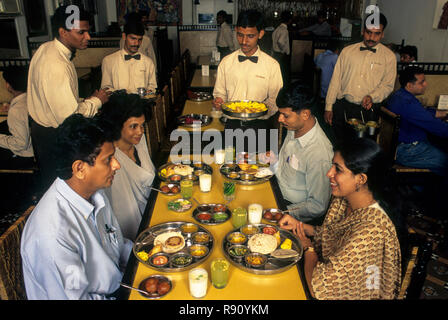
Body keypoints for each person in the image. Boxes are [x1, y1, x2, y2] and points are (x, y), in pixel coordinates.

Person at [21, 114, 133, 300]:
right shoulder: (52, 233)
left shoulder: (94, 192)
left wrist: (151, 256)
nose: (117, 165)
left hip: (119, 286)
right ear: (80, 168)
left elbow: (118, 246)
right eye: (108, 159)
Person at [279, 138, 402, 299]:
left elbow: (319, 290)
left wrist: (308, 248)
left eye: (338, 169)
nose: (329, 173)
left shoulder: (372, 231)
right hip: (324, 273)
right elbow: (332, 235)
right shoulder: (343, 199)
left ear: (361, 179)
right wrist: (301, 226)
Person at [27, 5, 110, 191]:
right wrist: (97, 101)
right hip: (54, 137)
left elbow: (55, 99)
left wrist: (84, 101)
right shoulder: (57, 64)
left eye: (88, 32)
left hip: (42, 132)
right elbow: (69, 118)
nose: (87, 37)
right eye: (81, 32)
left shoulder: (45, 49)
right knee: (61, 190)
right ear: (63, 32)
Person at [260, 85, 333, 225]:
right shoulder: (294, 127)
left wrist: (281, 211)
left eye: (285, 115)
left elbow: (318, 205)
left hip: (291, 211)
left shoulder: (319, 153)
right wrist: (275, 161)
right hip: (276, 190)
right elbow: (290, 166)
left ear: (305, 114)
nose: (280, 119)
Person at [213, 10, 283, 152]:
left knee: (258, 170)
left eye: (250, 36)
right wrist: (219, 101)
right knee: (230, 166)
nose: (244, 41)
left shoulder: (272, 65)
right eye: (240, 35)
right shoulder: (226, 62)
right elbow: (219, 93)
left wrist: (258, 111)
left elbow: (275, 100)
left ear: (261, 34)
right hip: (231, 126)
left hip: (260, 127)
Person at [324, 13, 396, 142]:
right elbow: (336, 80)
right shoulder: (347, 51)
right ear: (363, 31)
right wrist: (328, 107)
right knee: (340, 144)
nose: (372, 37)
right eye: (369, 32)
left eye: (377, 33)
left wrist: (372, 96)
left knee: (363, 148)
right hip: (343, 106)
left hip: (369, 110)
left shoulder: (389, 57)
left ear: (383, 34)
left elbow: (388, 85)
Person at [95, 92, 156, 240]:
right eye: (133, 126)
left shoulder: (138, 142)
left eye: (142, 126)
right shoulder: (112, 160)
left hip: (153, 207)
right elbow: (122, 212)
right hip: (133, 230)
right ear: (118, 125)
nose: (140, 132)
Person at [387, 66, 448, 176]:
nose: (426, 84)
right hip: (409, 151)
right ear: (410, 85)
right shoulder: (407, 103)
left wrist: (444, 114)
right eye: (422, 82)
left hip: (402, 147)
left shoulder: (400, 96)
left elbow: (422, 113)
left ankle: (422, 189)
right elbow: (435, 126)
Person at [102, 18, 157, 94]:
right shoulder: (108, 61)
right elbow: (106, 87)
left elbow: (152, 87)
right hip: (118, 104)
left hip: (141, 104)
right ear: (124, 36)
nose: (137, 43)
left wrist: (149, 91)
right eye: (133, 38)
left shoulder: (148, 62)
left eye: (140, 39)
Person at [0, 65, 34, 169]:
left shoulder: (16, 111)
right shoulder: (31, 99)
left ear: (8, 86)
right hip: (36, 146)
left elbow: (21, 144)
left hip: (24, 155)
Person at [272, 11, 292, 85]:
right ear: (289, 20)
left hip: (276, 54)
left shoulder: (277, 29)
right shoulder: (284, 30)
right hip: (281, 55)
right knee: (284, 77)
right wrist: (283, 51)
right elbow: (280, 41)